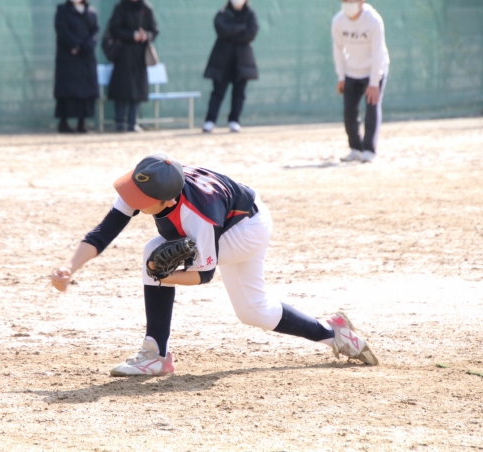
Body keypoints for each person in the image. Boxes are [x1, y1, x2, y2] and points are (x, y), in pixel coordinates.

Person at [51, 154, 378, 376]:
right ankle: (333, 332)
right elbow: (105, 230)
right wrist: (70, 268)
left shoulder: (197, 214)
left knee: (154, 252)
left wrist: (162, 275)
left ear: (166, 200)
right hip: (237, 213)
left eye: (140, 198)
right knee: (254, 312)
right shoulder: (154, 183)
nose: (132, 198)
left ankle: (156, 355)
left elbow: (204, 274)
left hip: (246, 231)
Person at [332, 0, 390, 163]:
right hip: (351, 72)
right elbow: (338, 50)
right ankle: (356, 149)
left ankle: (369, 150)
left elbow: (378, 53)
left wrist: (374, 83)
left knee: (372, 109)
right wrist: (341, 77)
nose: (347, 4)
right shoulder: (338, 21)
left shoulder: (373, 20)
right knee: (349, 112)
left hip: (373, 71)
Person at [202, 0, 259, 134]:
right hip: (222, 61)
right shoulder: (222, 14)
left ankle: (234, 120)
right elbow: (222, 30)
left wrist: (232, 31)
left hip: (242, 62)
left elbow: (252, 32)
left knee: (239, 93)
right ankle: (210, 121)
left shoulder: (250, 15)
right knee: (217, 92)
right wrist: (241, 28)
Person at [106, 0, 158, 132]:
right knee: (121, 89)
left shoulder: (147, 8)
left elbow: (154, 30)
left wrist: (146, 35)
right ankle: (119, 122)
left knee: (137, 90)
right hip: (123, 55)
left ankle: (133, 122)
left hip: (140, 56)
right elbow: (114, 29)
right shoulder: (120, 7)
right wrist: (132, 35)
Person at [54, 0, 100, 134]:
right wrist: (75, 45)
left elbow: (95, 31)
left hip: (86, 58)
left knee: (85, 90)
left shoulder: (91, 11)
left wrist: (86, 46)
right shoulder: (62, 10)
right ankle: (63, 123)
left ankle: (82, 123)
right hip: (68, 58)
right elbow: (62, 30)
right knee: (66, 89)